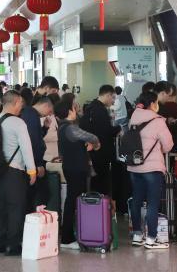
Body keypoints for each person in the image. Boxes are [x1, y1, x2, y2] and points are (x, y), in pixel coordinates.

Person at [127, 91, 173, 249]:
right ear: (153, 104)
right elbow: (168, 145)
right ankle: (151, 239)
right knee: (152, 203)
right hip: (152, 168)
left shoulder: (133, 117)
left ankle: (137, 235)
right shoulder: (157, 120)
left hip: (134, 166)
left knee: (136, 200)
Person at [0, 91, 36, 256]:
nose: (21, 107)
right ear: (16, 102)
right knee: (15, 208)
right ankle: (13, 245)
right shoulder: (18, 123)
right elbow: (26, 148)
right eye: (21, 104)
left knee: (0, 207)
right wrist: (32, 170)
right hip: (14, 171)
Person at [54, 99, 99, 250]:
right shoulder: (70, 128)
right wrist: (96, 144)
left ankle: (70, 236)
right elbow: (92, 137)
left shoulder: (63, 127)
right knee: (72, 202)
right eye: (74, 108)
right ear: (69, 111)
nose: (77, 110)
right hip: (76, 169)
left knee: (72, 201)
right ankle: (67, 239)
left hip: (71, 167)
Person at [80, 85, 120, 196]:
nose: (113, 101)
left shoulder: (90, 107)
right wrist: (118, 129)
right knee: (101, 183)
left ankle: (95, 203)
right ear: (107, 95)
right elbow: (106, 131)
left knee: (95, 182)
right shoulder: (100, 110)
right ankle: (101, 204)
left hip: (92, 151)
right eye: (113, 98)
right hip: (101, 152)